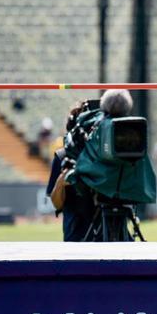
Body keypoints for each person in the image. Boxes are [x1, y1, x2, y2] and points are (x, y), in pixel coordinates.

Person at [46, 102, 94, 241]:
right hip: (76, 235)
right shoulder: (62, 156)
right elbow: (56, 203)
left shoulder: (107, 157)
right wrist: (61, 181)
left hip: (110, 232)